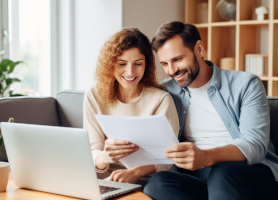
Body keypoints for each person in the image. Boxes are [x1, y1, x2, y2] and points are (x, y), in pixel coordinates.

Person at [143, 21, 278, 200]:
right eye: (165, 64)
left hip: (249, 172)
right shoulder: (167, 91)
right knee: (158, 183)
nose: (172, 70)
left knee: (222, 172)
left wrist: (205, 157)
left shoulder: (246, 84)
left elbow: (255, 145)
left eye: (177, 59)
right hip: (200, 175)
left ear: (199, 49)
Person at [83, 28, 180, 184]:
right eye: (122, 64)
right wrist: (105, 157)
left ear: (146, 65)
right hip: (102, 180)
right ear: (110, 64)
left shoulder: (161, 99)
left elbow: (167, 157)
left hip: (146, 180)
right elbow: (93, 148)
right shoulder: (93, 95)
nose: (130, 72)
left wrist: (135, 172)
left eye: (138, 64)